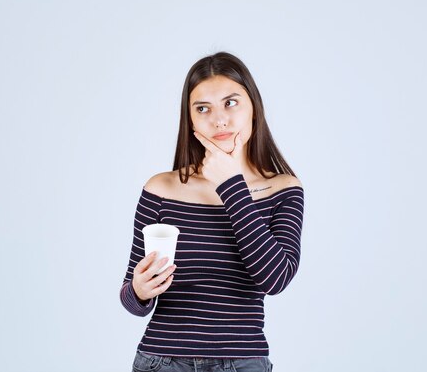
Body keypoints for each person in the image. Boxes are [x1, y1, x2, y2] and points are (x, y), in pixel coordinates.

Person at [120, 52, 304, 372]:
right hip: (163, 361)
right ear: (190, 120)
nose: (219, 120)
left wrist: (231, 185)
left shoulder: (284, 190)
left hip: (243, 362)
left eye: (230, 103)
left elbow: (275, 279)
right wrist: (139, 290)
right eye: (203, 108)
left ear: (253, 110)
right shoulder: (161, 189)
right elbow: (132, 298)